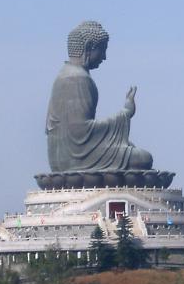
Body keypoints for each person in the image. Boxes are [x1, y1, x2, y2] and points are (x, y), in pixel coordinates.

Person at [45, 20, 153, 172]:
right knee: (143, 158)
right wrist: (125, 113)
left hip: (62, 158)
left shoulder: (64, 75)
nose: (104, 57)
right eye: (102, 50)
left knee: (130, 148)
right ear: (89, 46)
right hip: (76, 157)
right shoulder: (77, 78)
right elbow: (80, 132)